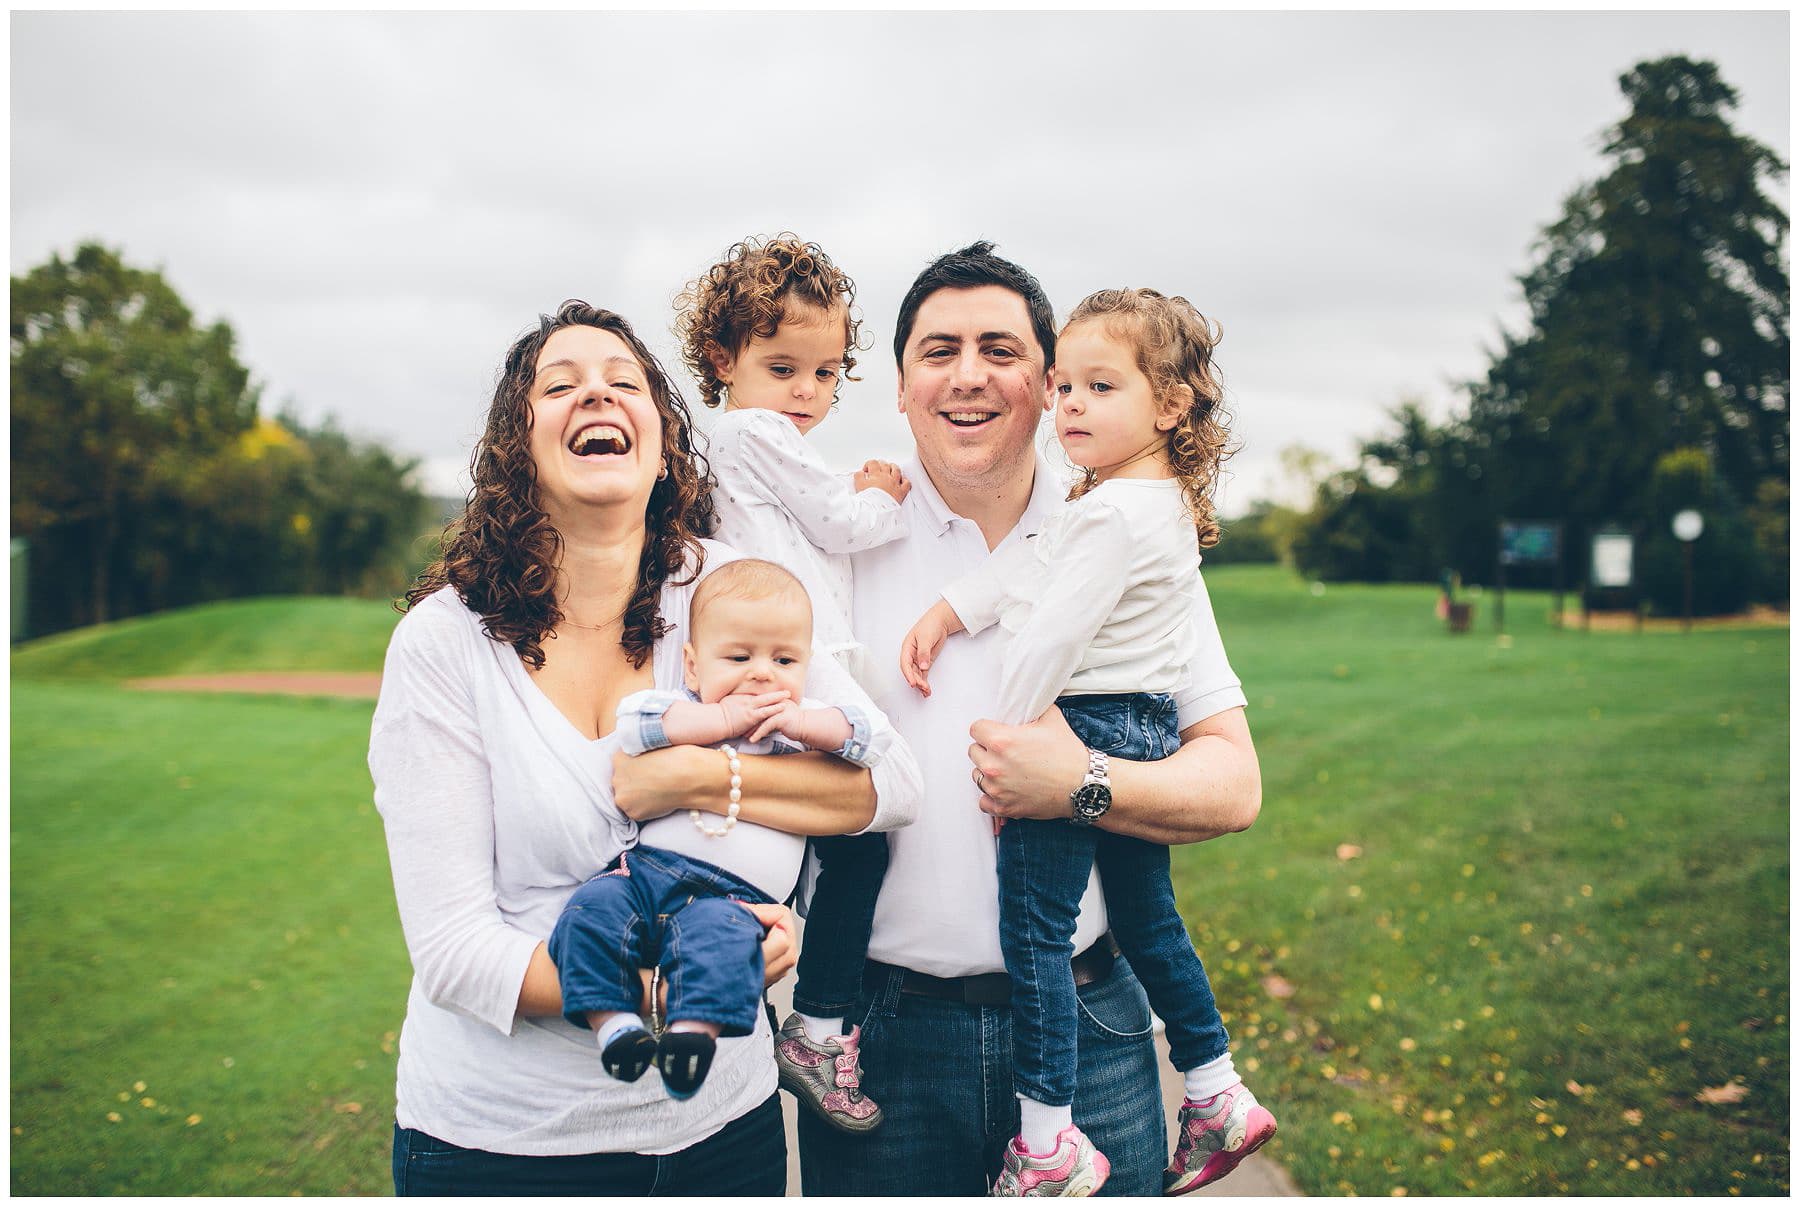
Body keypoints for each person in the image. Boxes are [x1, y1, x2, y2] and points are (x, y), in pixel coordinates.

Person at [369, 302, 919, 1196]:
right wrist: (693, 987)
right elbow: (456, 951)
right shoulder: (445, 643)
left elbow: (894, 779)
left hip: (719, 1138)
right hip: (501, 1146)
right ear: (521, 444)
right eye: (563, 385)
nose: (598, 395)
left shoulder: (727, 594)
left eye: (626, 382)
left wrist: (698, 774)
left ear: (664, 440)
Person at [794, 243, 1264, 1198]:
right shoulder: (831, 541)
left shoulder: (1126, 531)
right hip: (881, 1039)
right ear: (899, 384)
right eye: (939, 350)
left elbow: (1234, 784)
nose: (968, 374)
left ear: (1046, 383)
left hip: (1093, 1033)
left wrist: (1081, 784)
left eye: (999, 348)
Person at [674, 234, 909, 1132]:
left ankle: (744, 1000)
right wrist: (884, 488)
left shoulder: (723, 440)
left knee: (786, 844)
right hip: (801, 662)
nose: (805, 393)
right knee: (868, 821)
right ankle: (815, 1025)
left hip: (769, 652)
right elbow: (842, 521)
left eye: (823, 373)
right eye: (783, 367)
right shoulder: (754, 428)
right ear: (724, 359)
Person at [548, 558, 891, 1102]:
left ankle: (691, 1037)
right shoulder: (683, 710)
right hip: (644, 876)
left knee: (724, 947)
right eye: (738, 657)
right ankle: (615, 1027)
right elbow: (635, 725)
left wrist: (803, 722)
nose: (761, 673)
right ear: (692, 666)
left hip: (735, 901)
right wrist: (725, 721)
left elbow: (873, 739)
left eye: (784, 659)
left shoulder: (801, 728)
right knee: (588, 916)